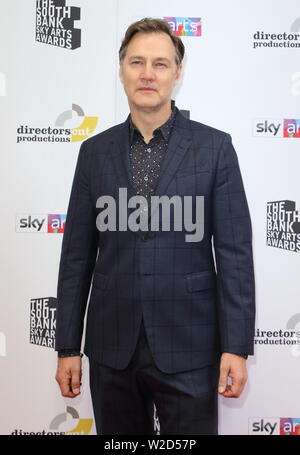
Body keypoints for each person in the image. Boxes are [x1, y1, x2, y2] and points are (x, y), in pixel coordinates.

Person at [55, 17, 256, 435]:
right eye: (137, 62)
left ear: (178, 73)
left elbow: (235, 254)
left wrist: (235, 347)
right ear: (121, 69)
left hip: (192, 345)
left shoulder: (215, 148)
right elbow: (76, 256)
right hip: (112, 347)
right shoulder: (94, 153)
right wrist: (68, 346)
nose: (148, 74)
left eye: (160, 64)